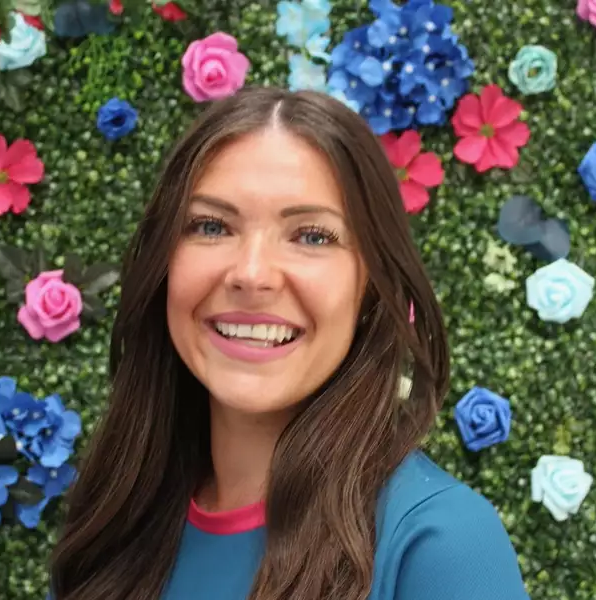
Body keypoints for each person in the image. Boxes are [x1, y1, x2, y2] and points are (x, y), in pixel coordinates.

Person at [48, 87, 530, 600]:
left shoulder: (441, 547)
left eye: (313, 236)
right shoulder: (113, 523)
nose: (252, 275)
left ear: (371, 286)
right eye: (211, 226)